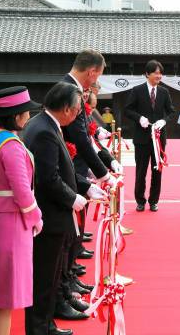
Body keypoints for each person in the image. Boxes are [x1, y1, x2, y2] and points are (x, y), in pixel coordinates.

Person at [23, 82, 104, 335]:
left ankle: (46, 324)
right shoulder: (45, 130)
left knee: (52, 274)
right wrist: (72, 198)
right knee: (45, 277)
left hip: (53, 214)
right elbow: (48, 177)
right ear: (68, 109)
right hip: (49, 215)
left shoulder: (47, 125)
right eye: (79, 108)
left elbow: (63, 168)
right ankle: (40, 328)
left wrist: (85, 186)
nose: (80, 112)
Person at [0, 86, 43, 335]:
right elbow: (22, 191)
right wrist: (36, 217)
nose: (28, 117)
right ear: (16, 116)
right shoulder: (11, 145)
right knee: (3, 301)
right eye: (26, 112)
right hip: (10, 225)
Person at [60, 50, 118, 319]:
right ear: (93, 72)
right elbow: (80, 137)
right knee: (62, 236)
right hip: (65, 171)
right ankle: (62, 292)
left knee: (70, 234)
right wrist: (103, 174)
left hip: (73, 170)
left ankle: (68, 281)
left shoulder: (71, 88)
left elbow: (85, 135)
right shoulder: (69, 90)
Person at [124, 59, 175, 212]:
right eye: (155, 73)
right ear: (147, 74)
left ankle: (154, 201)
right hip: (141, 138)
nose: (158, 76)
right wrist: (139, 118)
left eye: (160, 73)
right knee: (141, 171)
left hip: (159, 138)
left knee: (157, 170)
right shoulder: (137, 90)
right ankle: (140, 200)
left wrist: (164, 121)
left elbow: (171, 111)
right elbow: (128, 109)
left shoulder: (164, 92)